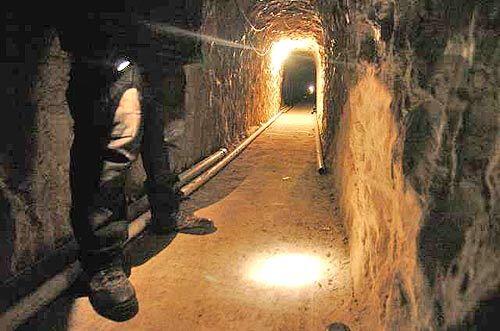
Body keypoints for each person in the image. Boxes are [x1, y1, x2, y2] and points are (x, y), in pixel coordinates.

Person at [53, 1, 212, 322]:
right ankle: (103, 261)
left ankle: (166, 211)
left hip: (166, 49)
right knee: (109, 152)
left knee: (164, 141)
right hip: (113, 38)